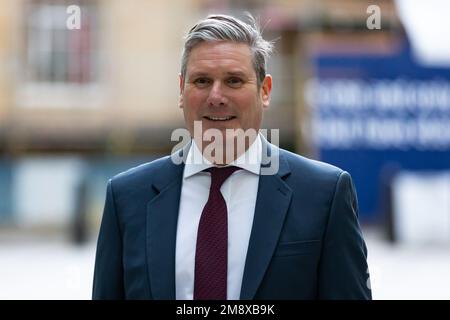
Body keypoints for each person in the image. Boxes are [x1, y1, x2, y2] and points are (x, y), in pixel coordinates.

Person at [92, 13, 371, 300]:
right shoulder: (127, 198)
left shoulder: (324, 194)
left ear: (265, 90)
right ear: (181, 90)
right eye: (201, 81)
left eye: (234, 81)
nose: (216, 96)